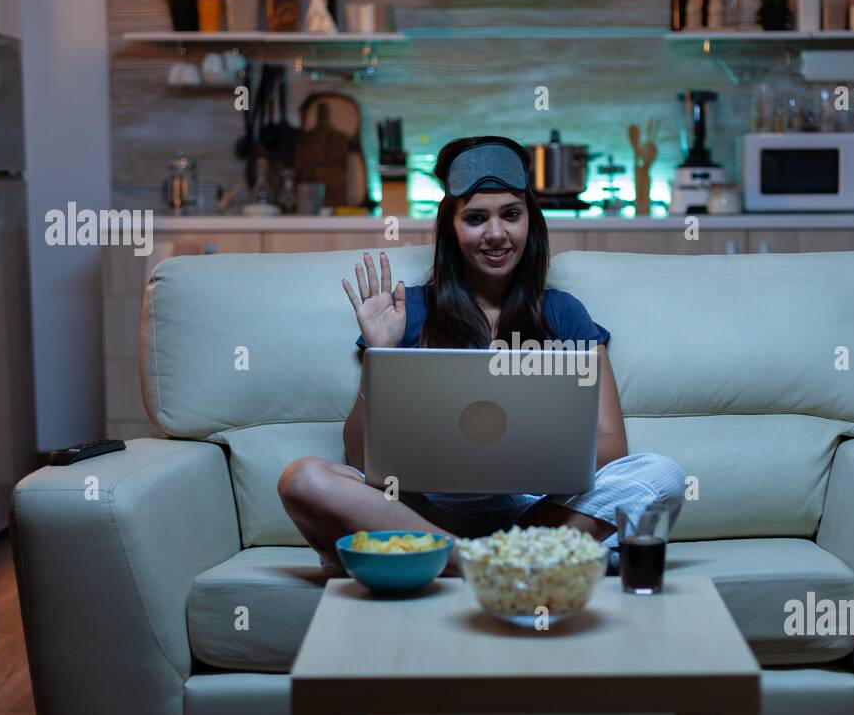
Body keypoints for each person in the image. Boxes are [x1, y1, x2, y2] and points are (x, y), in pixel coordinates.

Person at [277, 136, 685, 575]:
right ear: (451, 229)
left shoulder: (564, 313)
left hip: (534, 510)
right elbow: (360, 458)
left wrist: (517, 458)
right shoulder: (406, 311)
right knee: (303, 480)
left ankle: (446, 559)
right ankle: (502, 561)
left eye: (511, 215)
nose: (496, 234)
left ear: (531, 221)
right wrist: (380, 353)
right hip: (425, 510)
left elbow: (614, 447)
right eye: (475, 218)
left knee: (661, 475)